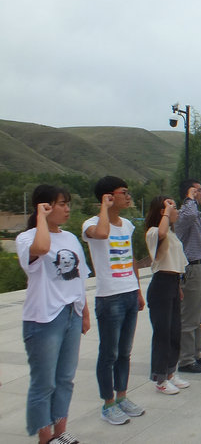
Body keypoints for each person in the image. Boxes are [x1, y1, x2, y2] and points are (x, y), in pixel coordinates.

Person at [16, 185, 90, 444]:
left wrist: (84, 313)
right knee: (44, 382)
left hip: (71, 313)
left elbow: (80, 279)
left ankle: (60, 431)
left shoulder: (70, 238)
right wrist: (40, 218)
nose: (67, 209)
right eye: (61, 204)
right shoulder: (27, 238)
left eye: (68, 203)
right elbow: (42, 248)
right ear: (45, 206)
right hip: (44, 319)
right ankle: (45, 437)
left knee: (65, 378)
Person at [82, 176, 145, 425]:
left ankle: (122, 397)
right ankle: (108, 404)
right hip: (109, 297)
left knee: (125, 352)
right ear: (107, 196)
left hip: (129, 292)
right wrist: (105, 209)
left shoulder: (127, 225)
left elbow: (131, 259)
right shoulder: (91, 224)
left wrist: (138, 291)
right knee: (109, 353)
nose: (128, 197)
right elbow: (102, 233)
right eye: (123, 192)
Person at [144, 196, 191, 394]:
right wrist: (166, 209)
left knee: (174, 332)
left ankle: (171, 372)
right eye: (173, 208)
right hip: (161, 284)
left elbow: (176, 262)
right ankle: (160, 379)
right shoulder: (154, 232)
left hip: (172, 282)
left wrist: (178, 286)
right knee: (162, 334)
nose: (176, 211)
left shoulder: (172, 233)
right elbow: (161, 233)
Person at [174, 179, 201, 374]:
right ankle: (186, 359)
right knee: (190, 316)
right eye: (198, 191)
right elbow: (189, 214)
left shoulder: (196, 215)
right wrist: (190, 197)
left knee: (199, 314)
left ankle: (197, 353)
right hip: (194, 268)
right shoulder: (184, 214)